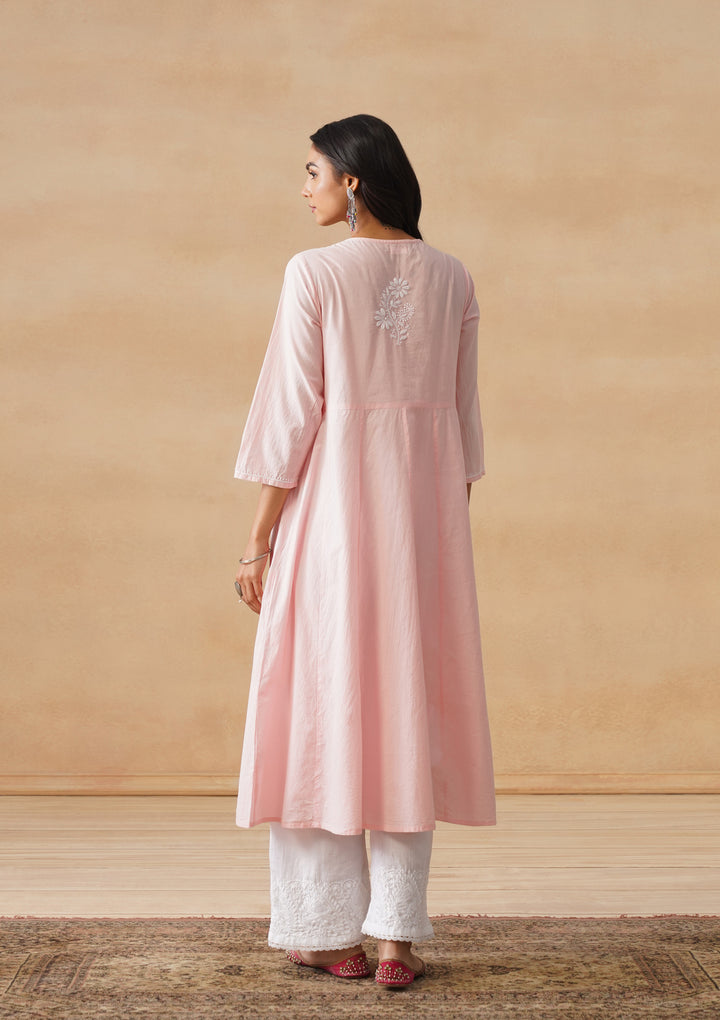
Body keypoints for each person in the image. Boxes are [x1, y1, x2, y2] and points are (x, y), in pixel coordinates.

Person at [233, 114, 495, 988]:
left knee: (321, 706)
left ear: (352, 180)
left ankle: (324, 934)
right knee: (405, 711)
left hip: (331, 524)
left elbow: (290, 415)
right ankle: (395, 940)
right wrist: (436, 536)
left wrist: (258, 541)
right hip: (425, 531)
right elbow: (461, 425)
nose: (303, 188)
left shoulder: (313, 272)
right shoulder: (453, 275)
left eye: (311, 172)